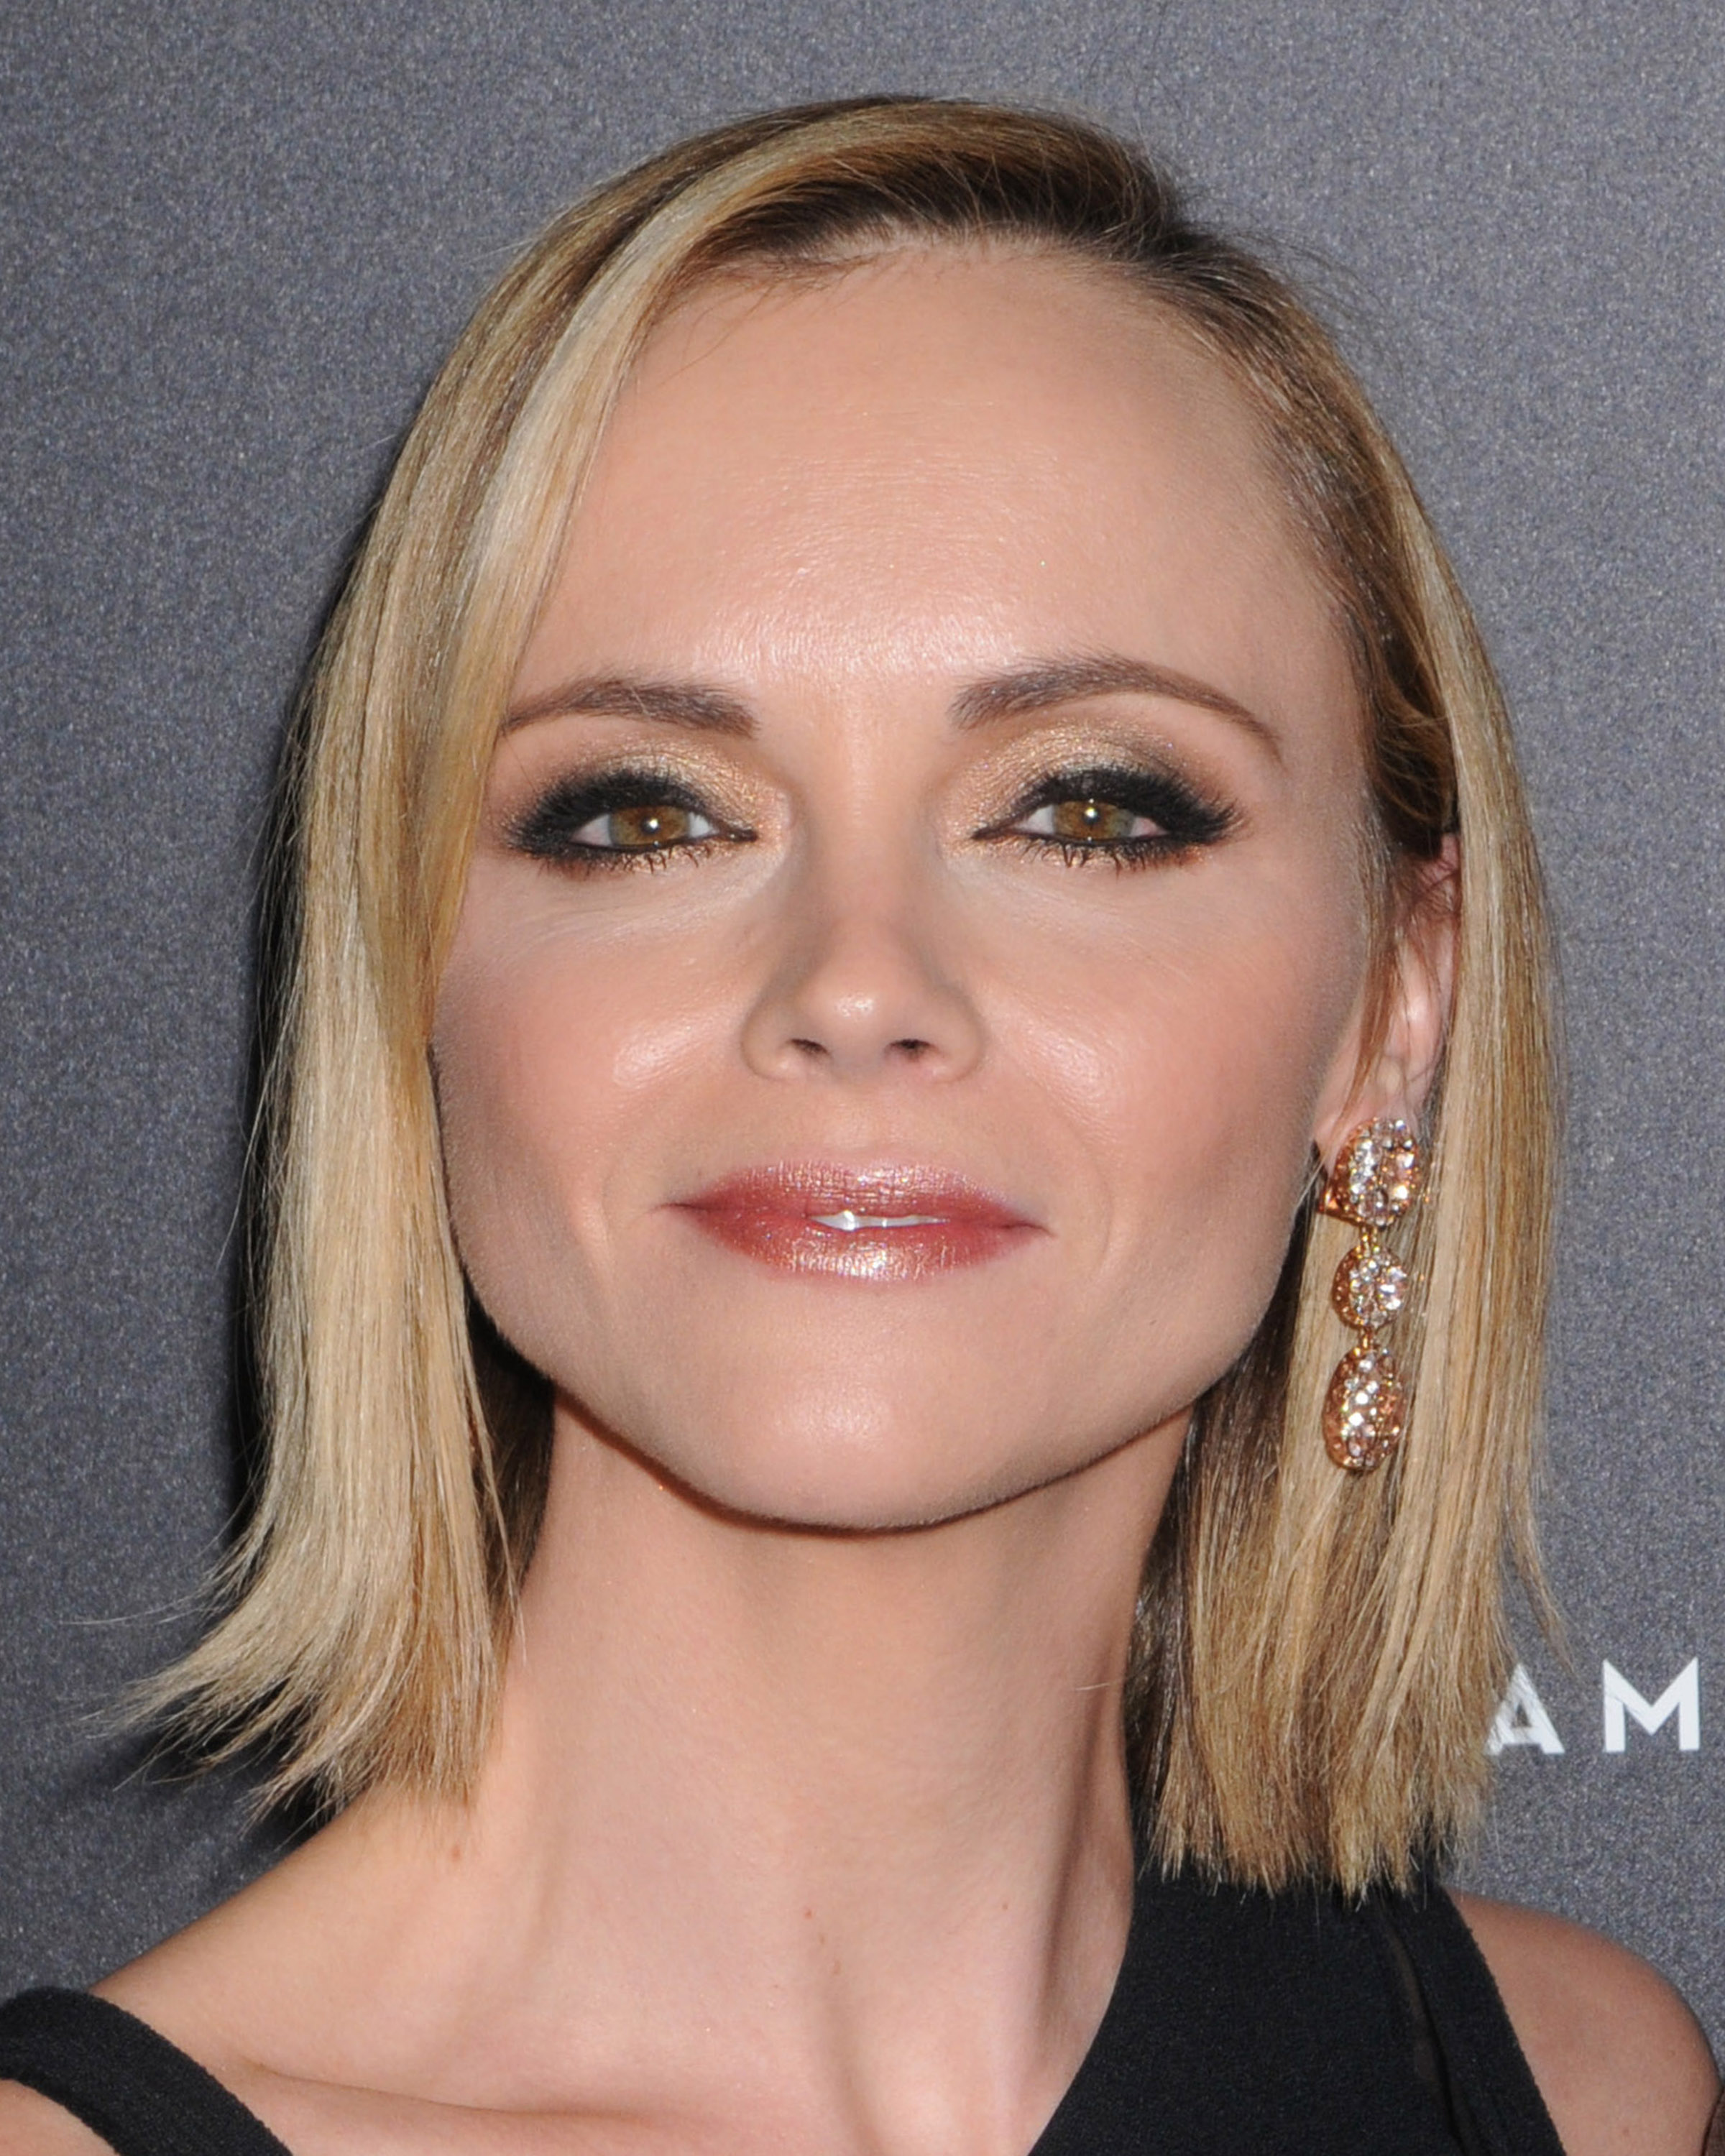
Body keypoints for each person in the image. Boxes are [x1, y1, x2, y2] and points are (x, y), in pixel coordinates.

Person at [0, 96, 1717, 2156]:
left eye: (1086, 809)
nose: (856, 979)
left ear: (1394, 1000)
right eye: (645, 814)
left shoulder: (1584, 2094)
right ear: (414, 976)